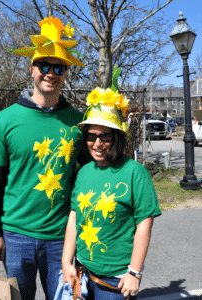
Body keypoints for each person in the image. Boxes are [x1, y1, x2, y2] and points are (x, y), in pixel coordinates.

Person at [0, 17, 85, 300]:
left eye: (59, 67)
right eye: (44, 65)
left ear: (65, 72)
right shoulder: (6, 120)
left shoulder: (78, 122)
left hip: (61, 238)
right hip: (16, 237)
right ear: (31, 69)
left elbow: (92, 172)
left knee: (66, 298)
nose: (50, 73)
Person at [61, 67, 161, 299]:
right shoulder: (84, 172)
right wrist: (67, 262)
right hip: (82, 272)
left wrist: (134, 272)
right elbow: (74, 219)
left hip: (117, 279)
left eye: (105, 136)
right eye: (91, 136)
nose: (97, 143)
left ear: (116, 137)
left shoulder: (134, 172)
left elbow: (144, 224)